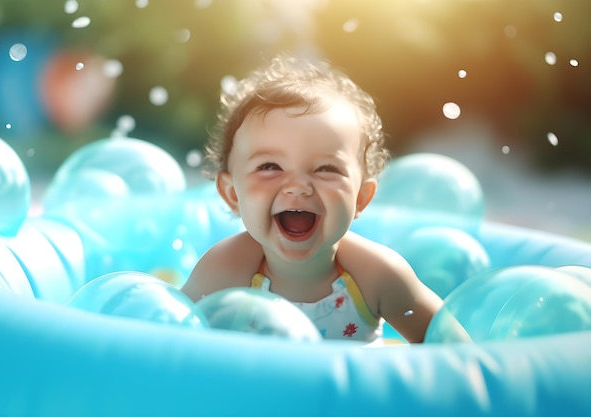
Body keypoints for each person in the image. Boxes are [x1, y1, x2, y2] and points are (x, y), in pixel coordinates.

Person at [181, 52, 443, 344]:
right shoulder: (223, 272)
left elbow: (454, 351)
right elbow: (169, 345)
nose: (298, 186)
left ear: (360, 198)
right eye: (270, 167)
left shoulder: (378, 276)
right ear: (232, 194)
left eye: (326, 168)